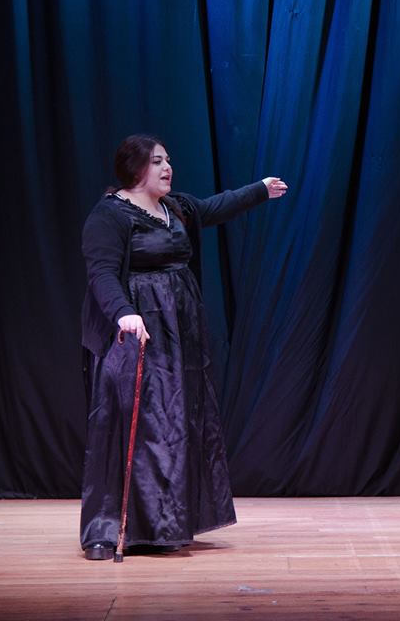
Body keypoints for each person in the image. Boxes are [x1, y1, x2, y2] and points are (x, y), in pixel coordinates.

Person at [79, 134, 288, 559]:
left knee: (174, 424)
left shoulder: (174, 209)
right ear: (136, 167)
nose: (167, 167)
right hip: (137, 332)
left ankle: (166, 523)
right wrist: (123, 313)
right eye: (158, 161)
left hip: (179, 332)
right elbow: (101, 273)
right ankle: (107, 529)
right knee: (135, 426)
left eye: (168, 160)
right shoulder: (110, 214)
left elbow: (214, 207)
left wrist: (260, 190)